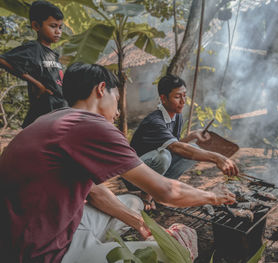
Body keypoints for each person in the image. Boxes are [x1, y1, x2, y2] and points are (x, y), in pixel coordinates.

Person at [0, 62, 235, 263]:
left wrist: (143, 226)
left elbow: (96, 193)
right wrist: (213, 197)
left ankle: (99, 246)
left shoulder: (52, 119)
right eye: (117, 98)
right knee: (177, 250)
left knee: (134, 202)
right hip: (42, 252)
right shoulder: (92, 125)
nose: (118, 112)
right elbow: (166, 192)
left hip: (25, 234)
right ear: (102, 89)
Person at [127, 74, 239, 197]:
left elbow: (175, 145)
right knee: (163, 156)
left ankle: (164, 187)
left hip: (154, 172)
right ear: (163, 98)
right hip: (134, 176)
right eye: (177, 97)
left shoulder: (176, 115)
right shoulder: (154, 122)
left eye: (184, 95)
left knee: (194, 149)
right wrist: (217, 158)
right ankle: (147, 193)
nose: (183, 101)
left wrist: (192, 136)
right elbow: (176, 148)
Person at [0, 1, 67, 128]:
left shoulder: (53, 54)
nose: (58, 31)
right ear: (36, 26)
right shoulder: (34, 48)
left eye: (60, 27)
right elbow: (3, 60)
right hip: (45, 112)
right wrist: (37, 84)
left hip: (60, 110)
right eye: (53, 26)